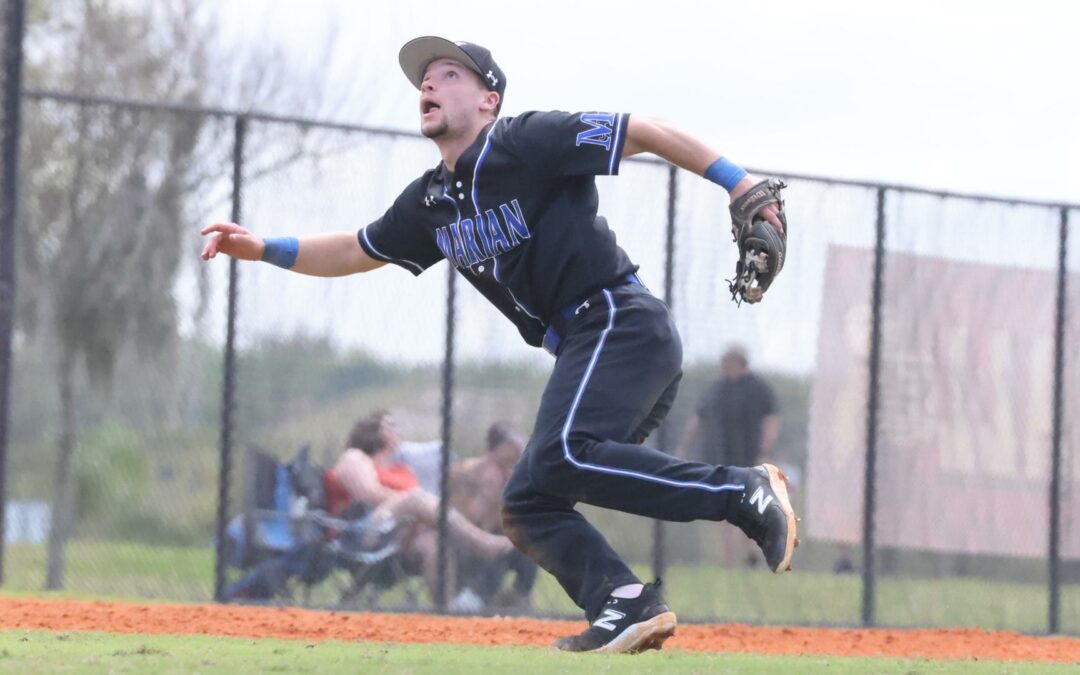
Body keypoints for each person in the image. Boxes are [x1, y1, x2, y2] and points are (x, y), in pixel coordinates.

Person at [201, 36, 797, 654]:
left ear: (489, 99)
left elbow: (645, 130)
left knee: (564, 454)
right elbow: (356, 248)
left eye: (447, 74)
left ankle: (741, 491)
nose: (428, 84)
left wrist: (741, 186)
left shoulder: (524, 141)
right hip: (584, 344)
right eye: (424, 78)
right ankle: (623, 602)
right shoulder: (432, 203)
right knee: (528, 500)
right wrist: (262, 248)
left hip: (619, 321)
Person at [325, 409, 514, 602]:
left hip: (399, 539)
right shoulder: (355, 457)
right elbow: (368, 493)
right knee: (416, 498)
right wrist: (413, 505)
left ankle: (449, 610)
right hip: (359, 534)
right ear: (371, 429)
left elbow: (417, 507)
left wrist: (419, 514)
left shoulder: (401, 469)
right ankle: (483, 543)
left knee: (433, 544)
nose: (398, 429)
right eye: (391, 424)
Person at [675, 345, 781, 567]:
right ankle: (728, 561)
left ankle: (751, 552)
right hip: (722, 459)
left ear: (741, 363)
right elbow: (698, 419)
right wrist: (684, 447)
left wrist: (765, 451)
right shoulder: (717, 389)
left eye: (729, 362)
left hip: (751, 458)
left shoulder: (757, 388)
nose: (725, 367)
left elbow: (771, 420)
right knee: (726, 509)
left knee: (752, 506)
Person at [449, 422, 537, 611]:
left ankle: (516, 598)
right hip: (462, 542)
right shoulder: (463, 474)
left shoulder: (512, 481)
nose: (508, 470)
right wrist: (487, 496)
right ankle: (471, 601)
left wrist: (501, 497)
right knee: (498, 549)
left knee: (526, 547)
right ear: (489, 451)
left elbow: (512, 523)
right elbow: (461, 520)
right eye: (503, 462)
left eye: (514, 463)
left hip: (497, 542)